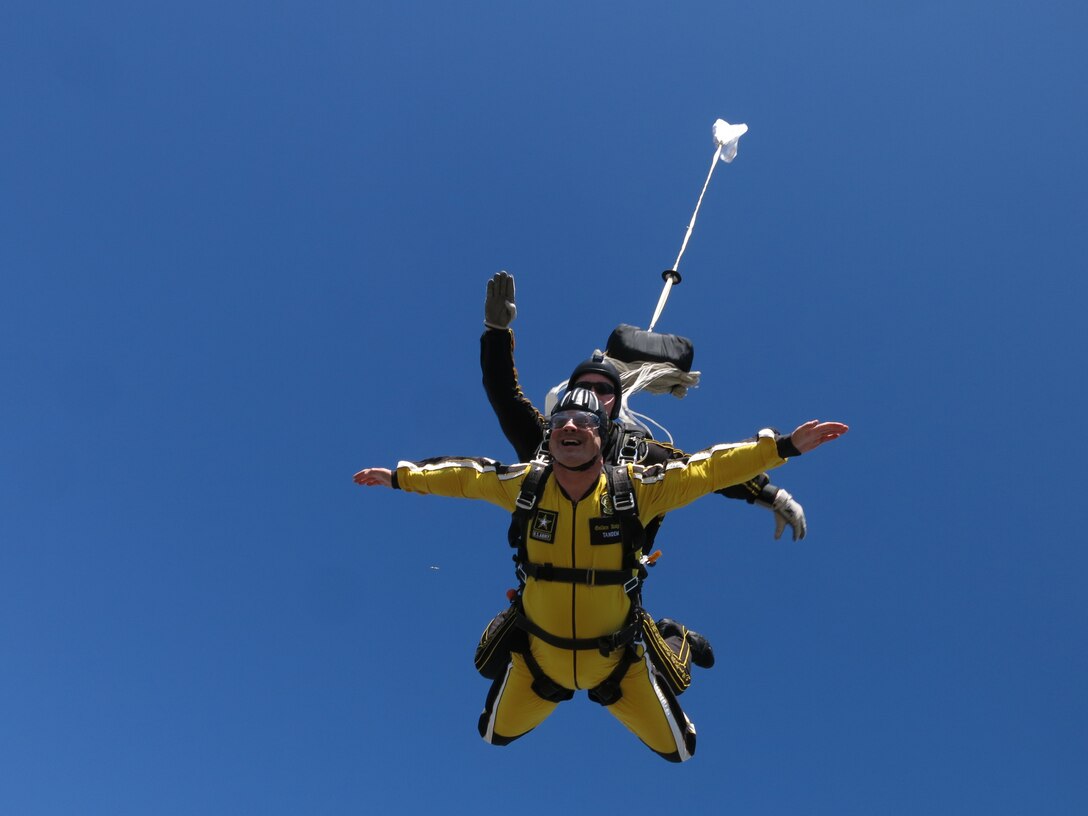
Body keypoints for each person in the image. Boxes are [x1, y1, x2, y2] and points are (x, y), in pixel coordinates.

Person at [354, 389, 848, 762]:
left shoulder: (637, 488)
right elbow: (464, 476)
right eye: (560, 421)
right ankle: (514, 625)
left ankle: (673, 636)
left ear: (602, 434)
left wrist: (782, 447)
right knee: (492, 735)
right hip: (539, 660)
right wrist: (400, 477)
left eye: (584, 423)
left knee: (682, 749)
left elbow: (710, 470)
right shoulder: (525, 484)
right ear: (549, 435)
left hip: (617, 662)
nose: (570, 428)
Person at [480, 270, 809, 542]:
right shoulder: (542, 440)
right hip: (540, 595)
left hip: (613, 601)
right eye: (582, 388)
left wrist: (769, 494)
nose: (590, 397)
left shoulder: (640, 454)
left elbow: (707, 470)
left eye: (603, 389)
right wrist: (496, 332)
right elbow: (503, 393)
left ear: (616, 401)